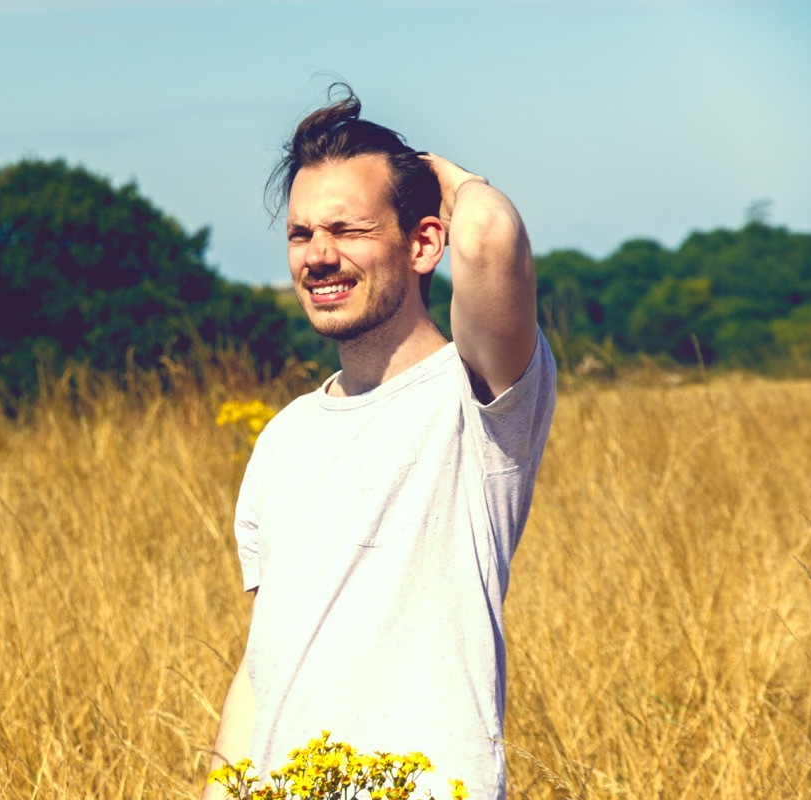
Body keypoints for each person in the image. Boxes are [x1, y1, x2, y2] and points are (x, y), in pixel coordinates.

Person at [202, 85, 556, 800]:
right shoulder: (283, 437)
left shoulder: (479, 396)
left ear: (424, 242)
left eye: (349, 229)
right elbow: (264, 662)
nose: (319, 257)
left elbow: (489, 237)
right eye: (301, 235)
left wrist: (444, 175)